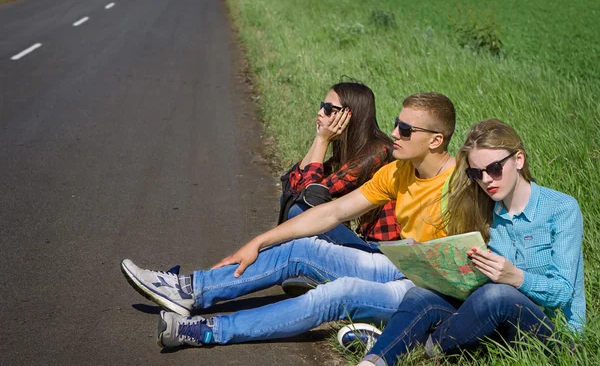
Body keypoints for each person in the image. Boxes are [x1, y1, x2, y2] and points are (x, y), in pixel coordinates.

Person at [120, 92, 457, 348]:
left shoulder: (460, 186)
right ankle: (189, 291)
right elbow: (332, 211)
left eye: (406, 129)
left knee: (337, 294)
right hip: (402, 262)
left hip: (430, 289)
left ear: (436, 140)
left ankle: (209, 331)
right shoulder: (399, 170)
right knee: (298, 249)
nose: (395, 132)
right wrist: (258, 242)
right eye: (397, 124)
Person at [358, 119, 586, 366]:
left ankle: (416, 350)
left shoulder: (561, 208)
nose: (487, 180)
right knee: (420, 294)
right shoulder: (483, 209)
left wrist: (516, 277)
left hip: (554, 332)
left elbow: (563, 293)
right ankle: (373, 361)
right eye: (477, 173)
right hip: (498, 324)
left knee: (496, 294)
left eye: (495, 168)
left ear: (518, 160)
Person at [279, 81, 400, 295]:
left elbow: (310, 196)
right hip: (366, 247)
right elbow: (293, 185)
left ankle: (316, 272)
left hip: (383, 255)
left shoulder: (376, 152)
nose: (320, 113)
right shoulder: (353, 150)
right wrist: (319, 141)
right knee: (296, 207)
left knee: (301, 211)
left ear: (348, 116)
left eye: (328, 109)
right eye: (321, 105)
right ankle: (312, 271)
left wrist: (322, 140)